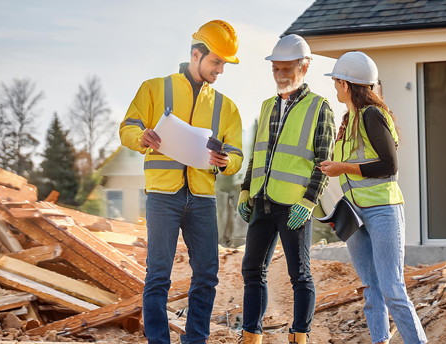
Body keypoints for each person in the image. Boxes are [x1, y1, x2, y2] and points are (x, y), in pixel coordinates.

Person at [119, 20, 244, 344]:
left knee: (206, 275)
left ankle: (195, 340)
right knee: (158, 275)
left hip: (203, 198)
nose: (220, 70)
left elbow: (236, 154)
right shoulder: (154, 89)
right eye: (216, 61)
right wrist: (141, 137)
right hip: (163, 195)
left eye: (223, 64)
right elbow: (127, 127)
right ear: (196, 54)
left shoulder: (226, 107)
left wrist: (227, 162)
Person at [320, 51, 427, 344]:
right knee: (371, 287)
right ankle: (380, 340)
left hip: (383, 211)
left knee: (392, 287)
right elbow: (351, 172)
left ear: (345, 83)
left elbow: (388, 165)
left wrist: (342, 167)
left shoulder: (372, 115)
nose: (334, 86)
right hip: (354, 215)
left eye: (336, 81)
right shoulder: (348, 119)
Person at [237, 34, 336, 344]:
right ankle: (252, 335)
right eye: (275, 69)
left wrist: (309, 201)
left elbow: (325, 162)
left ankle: (300, 337)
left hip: (294, 206)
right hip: (262, 200)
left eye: (286, 69)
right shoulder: (267, 107)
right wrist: (245, 190)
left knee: (300, 276)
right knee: (252, 270)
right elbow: (258, 153)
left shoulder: (320, 108)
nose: (280, 76)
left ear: (304, 67)